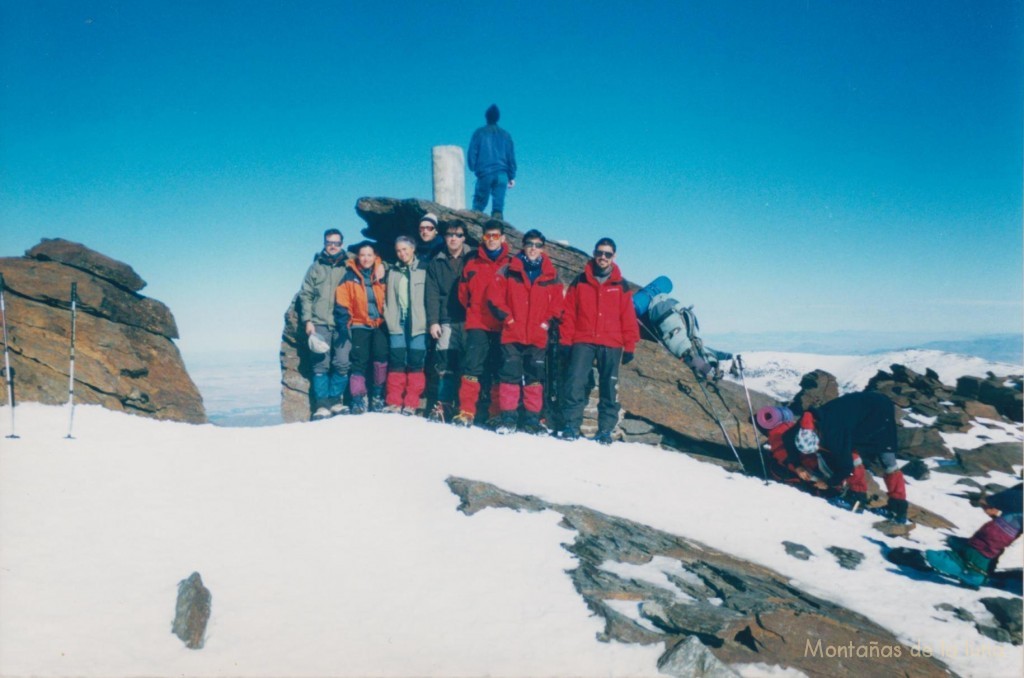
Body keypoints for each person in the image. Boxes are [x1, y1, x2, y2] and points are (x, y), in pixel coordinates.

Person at [771, 392, 910, 523]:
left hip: (879, 411)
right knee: (846, 449)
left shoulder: (834, 435)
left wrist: (828, 483)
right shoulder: (803, 426)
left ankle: (884, 506)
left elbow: (846, 467)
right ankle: (860, 497)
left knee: (886, 459)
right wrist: (797, 465)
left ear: (818, 436)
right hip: (857, 409)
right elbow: (787, 438)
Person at [559, 237, 639, 444]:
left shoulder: (621, 285)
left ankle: (605, 430)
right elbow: (569, 313)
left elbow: (627, 316)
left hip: (611, 342)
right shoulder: (581, 280)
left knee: (608, 387)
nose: (602, 257)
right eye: (599, 253)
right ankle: (571, 426)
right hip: (583, 339)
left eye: (607, 254)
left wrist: (629, 344)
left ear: (614, 256)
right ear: (594, 253)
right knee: (575, 381)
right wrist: (566, 340)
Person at [486, 229, 563, 434]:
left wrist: (546, 323)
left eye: (538, 245)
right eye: (530, 244)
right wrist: (508, 318)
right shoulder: (508, 269)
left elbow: (557, 304)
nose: (533, 249)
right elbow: (494, 297)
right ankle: (508, 418)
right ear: (523, 245)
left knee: (534, 378)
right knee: (509, 376)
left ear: (543, 248)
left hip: (537, 336)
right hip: (512, 333)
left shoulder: (552, 274)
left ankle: (532, 420)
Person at [452, 220, 512, 427]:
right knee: (472, 368)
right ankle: (467, 411)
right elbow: (462, 294)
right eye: (488, 236)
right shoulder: (472, 263)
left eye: (496, 236)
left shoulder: (511, 265)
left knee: (498, 370)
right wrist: (473, 310)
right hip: (477, 323)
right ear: (483, 238)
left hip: (502, 325)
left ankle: (495, 413)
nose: (492, 240)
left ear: (503, 238)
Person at [298, 228, 351, 420]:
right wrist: (307, 320)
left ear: (342, 244)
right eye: (329, 242)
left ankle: (336, 401)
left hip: (343, 324)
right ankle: (322, 405)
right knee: (320, 365)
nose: (333, 246)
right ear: (324, 243)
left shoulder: (349, 264)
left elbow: (370, 259)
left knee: (342, 363)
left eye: (336, 243)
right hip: (319, 322)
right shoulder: (316, 267)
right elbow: (306, 294)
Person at [925, 484, 1022, 588]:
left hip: (992, 538)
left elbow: (992, 500)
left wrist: (990, 503)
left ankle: (971, 568)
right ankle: (973, 568)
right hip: (995, 538)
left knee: (986, 545)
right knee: (986, 547)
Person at [425, 220, 472, 422]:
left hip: (471, 319)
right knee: (445, 363)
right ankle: (444, 404)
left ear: (464, 237)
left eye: (458, 234)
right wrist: (433, 321)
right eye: (450, 234)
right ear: (444, 237)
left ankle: (468, 407)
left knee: (471, 365)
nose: (454, 238)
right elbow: (432, 293)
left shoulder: (474, 258)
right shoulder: (437, 261)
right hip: (446, 318)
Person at [334, 242, 388, 414]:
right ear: (358, 256)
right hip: (359, 324)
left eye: (369, 255)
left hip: (380, 323)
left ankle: (377, 396)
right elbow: (343, 301)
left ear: (375, 257)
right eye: (363, 255)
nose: (366, 258)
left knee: (381, 359)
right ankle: (358, 399)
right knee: (359, 361)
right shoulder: (349, 276)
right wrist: (344, 324)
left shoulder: (381, 273)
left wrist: (383, 266)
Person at [383, 236, 428, 414]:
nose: (402, 253)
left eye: (405, 249)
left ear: (413, 249)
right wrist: (388, 315)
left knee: (416, 363)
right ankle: (394, 401)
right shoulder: (392, 271)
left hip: (418, 323)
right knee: (397, 362)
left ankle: (411, 403)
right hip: (397, 322)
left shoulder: (424, 269)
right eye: (399, 250)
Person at [467, 104, 516, 220]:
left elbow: (472, 153)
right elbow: (511, 157)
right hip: (502, 174)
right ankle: (497, 231)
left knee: (478, 207)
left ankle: (474, 225)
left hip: (485, 173)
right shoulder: (506, 135)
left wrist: (473, 167)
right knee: (498, 209)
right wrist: (511, 176)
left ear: (486, 117)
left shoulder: (479, 133)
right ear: (498, 118)